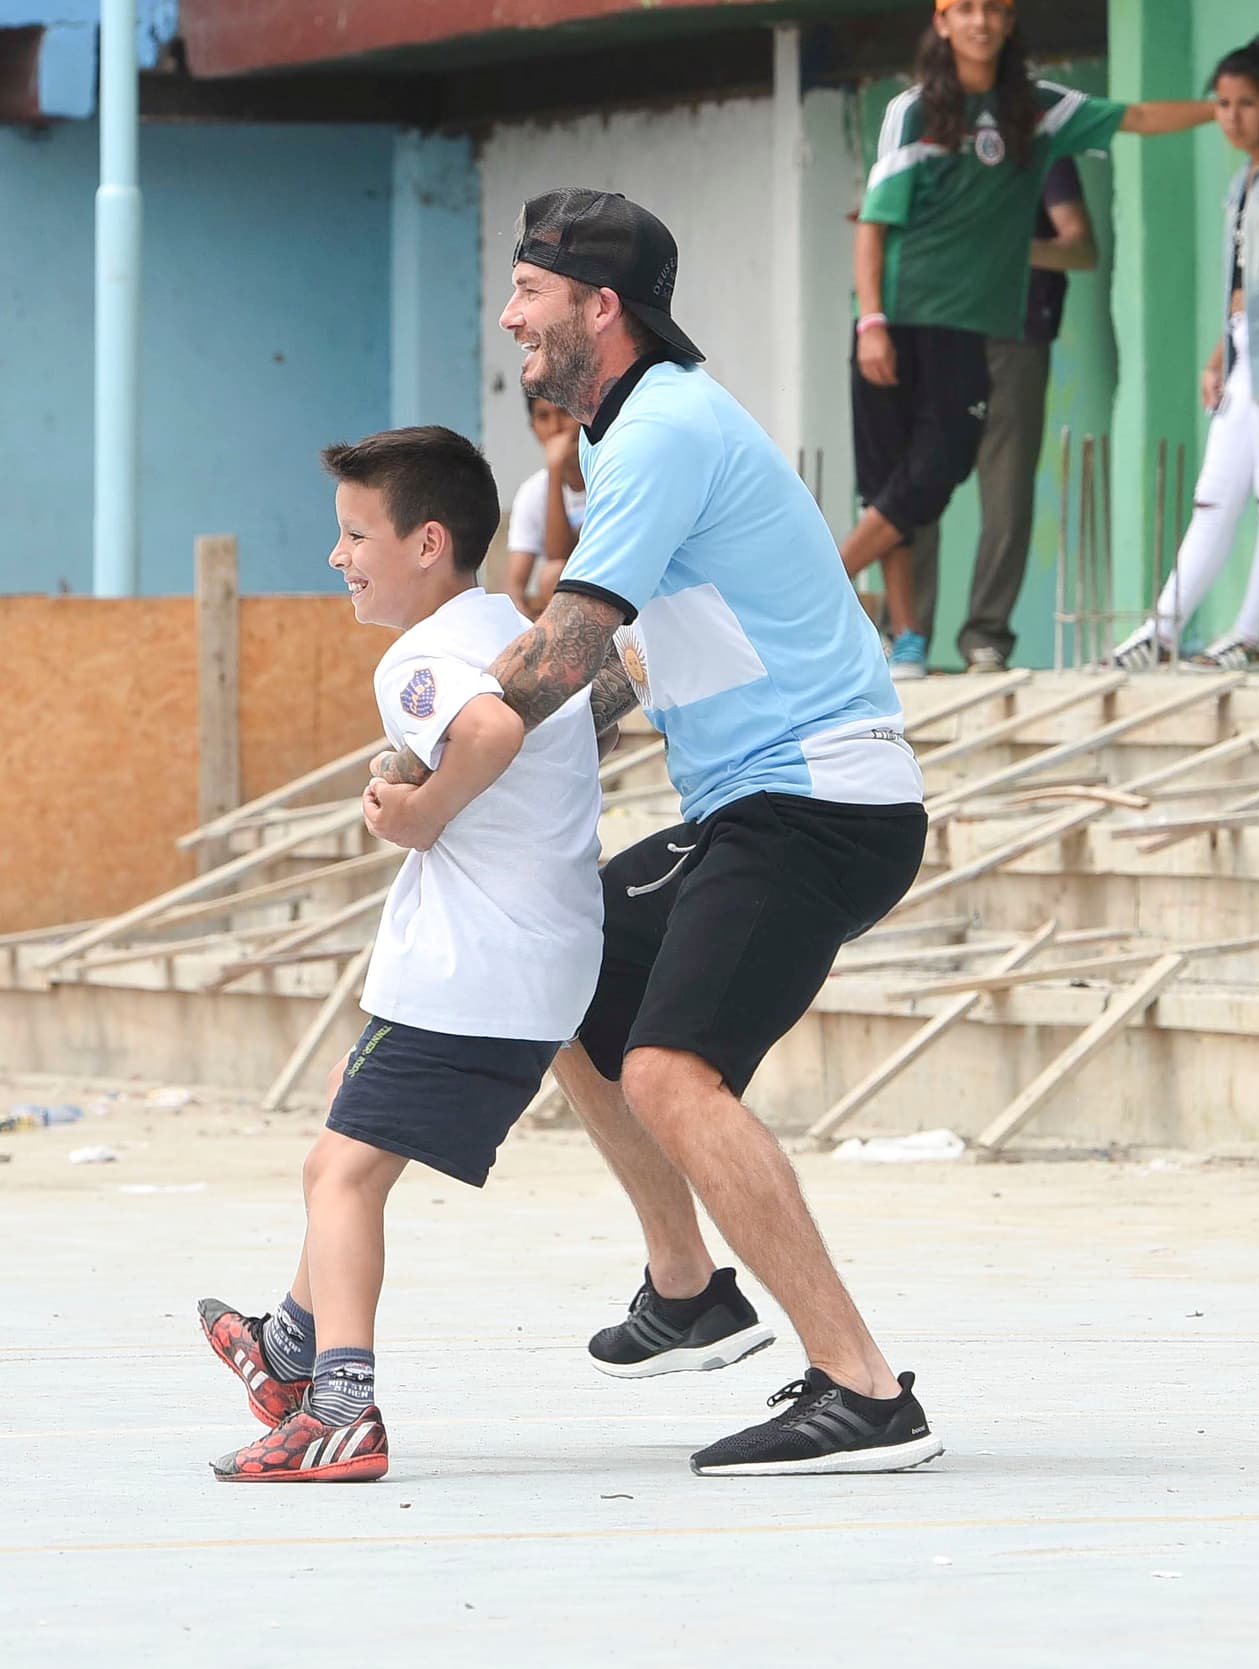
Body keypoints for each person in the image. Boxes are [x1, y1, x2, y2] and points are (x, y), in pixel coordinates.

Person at [374, 187, 939, 1478]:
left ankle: (864, 1390)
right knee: (579, 980)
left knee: (672, 1072)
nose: (512, 315)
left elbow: (563, 651)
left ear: (601, 309)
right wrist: (493, 750)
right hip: (766, 798)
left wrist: (434, 774)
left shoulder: (667, 430)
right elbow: (640, 663)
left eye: (531, 291)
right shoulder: (640, 437)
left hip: (814, 805)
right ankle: (689, 1292)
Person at [198, 426, 604, 1482]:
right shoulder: (510, 629)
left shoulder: (422, 658)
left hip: (475, 968)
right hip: (524, 960)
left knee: (335, 1172)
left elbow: (488, 733)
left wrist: (419, 812)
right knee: (350, 1115)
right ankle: (287, 1343)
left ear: (428, 543)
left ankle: (339, 1409)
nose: (336, 556)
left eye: (353, 534)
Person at [840, 0, 1217, 680]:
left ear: (1011, 23)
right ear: (944, 20)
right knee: (893, 482)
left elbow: (1133, 117)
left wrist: (1219, 111)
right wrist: (872, 321)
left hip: (973, 327)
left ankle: (826, 577)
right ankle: (910, 639)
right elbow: (873, 221)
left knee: (938, 471)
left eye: (996, 9)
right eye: (967, 8)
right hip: (896, 319)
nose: (982, 21)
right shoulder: (913, 110)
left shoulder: (1037, 109)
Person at [1114, 35, 1259, 674]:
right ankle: (1161, 630)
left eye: (1247, 103)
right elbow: (1242, 284)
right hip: (1245, 351)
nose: (1231, 116)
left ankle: (1249, 633)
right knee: (1213, 495)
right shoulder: (1246, 180)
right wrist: (1220, 352)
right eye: (1223, 103)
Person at [909, 160, 1098, 673]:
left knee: (1007, 489)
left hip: (1014, 337)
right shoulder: (932, 146)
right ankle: (909, 635)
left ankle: (985, 636)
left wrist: (1003, 244)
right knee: (916, 483)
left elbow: (1080, 247)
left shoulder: (1041, 154)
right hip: (937, 330)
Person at [505, 395, 587, 618]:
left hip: (610, 590)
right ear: (533, 428)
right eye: (543, 417)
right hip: (565, 608)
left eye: (564, 413)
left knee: (553, 575)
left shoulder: (606, 475)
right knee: (552, 575)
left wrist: (555, 467)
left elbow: (565, 558)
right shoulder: (532, 492)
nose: (556, 427)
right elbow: (514, 589)